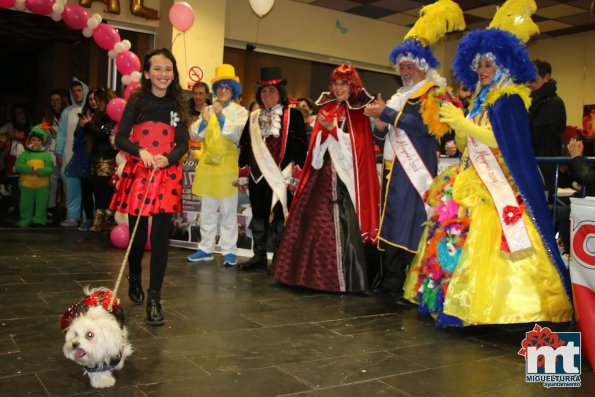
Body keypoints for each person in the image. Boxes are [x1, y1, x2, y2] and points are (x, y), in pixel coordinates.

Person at [414, 0, 572, 326]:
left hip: (498, 186)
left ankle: (506, 307)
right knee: (456, 240)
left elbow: (501, 141)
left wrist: (463, 123)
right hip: (469, 178)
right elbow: (467, 143)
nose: (483, 70)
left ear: (504, 63)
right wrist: (457, 127)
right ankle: (452, 301)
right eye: (479, 65)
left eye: (489, 64)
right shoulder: (480, 101)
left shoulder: (511, 99)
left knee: (492, 246)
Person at [364, 0, 464, 302]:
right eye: (402, 65)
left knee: (406, 224)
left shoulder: (432, 93)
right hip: (393, 169)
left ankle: (400, 282)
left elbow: (425, 127)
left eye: (410, 65)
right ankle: (388, 281)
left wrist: (389, 115)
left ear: (422, 66)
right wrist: (379, 123)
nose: (405, 69)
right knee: (390, 222)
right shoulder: (399, 95)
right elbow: (392, 130)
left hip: (413, 171)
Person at [272, 64, 379, 293]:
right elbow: (315, 150)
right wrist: (324, 132)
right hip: (321, 175)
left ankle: (341, 280)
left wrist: (334, 131)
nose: (339, 88)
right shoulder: (326, 107)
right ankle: (304, 276)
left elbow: (358, 149)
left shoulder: (360, 112)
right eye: (336, 84)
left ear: (353, 86)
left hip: (345, 179)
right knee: (309, 220)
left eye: (344, 84)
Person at [110, 48, 189, 326]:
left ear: (174, 73)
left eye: (168, 69)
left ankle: (155, 297)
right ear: (146, 73)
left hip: (166, 175)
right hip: (141, 173)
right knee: (138, 234)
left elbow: (183, 144)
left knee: (159, 240)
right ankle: (134, 274)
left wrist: (168, 158)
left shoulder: (179, 104)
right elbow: (120, 138)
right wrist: (140, 151)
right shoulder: (137, 100)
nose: (163, 74)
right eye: (158, 69)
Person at [236, 66, 308, 271]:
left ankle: (279, 260)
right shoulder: (253, 116)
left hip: (281, 175)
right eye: (264, 91)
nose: (267, 95)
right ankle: (258, 257)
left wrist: (297, 175)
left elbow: (301, 147)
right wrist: (242, 172)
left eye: (272, 91)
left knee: (279, 217)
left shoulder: (293, 116)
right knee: (258, 215)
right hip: (256, 175)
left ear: (280, 94)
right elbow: (245, 145)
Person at [186, 64, 248, 266]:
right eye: (219, 87)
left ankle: (229, 251)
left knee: (229, 212)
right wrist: (204, 122)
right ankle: (206, 248)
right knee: (207, 211)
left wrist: (221, 117)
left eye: (227, 88)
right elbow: (195, 134)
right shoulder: (207, 109)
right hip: (208, 169)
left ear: (233, 91)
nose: (222, 91)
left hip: (228, 168)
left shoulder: (240, 112)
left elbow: (238, 135)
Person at [527, 59, 567, 195]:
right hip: (532, 166)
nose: (528, 83)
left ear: (546, 78)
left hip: (543, 170)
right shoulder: (532, 101)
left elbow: (533, 134)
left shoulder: (554, 104)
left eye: (532, 79)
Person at [84, 88, 118, 233]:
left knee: (106, 191)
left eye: (98, 101)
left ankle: (107, 222)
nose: (96, 104)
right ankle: (100, 221)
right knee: (97, 190)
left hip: (106, 159)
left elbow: (104, 134)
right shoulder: (98, 115)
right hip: (96, 157)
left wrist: (88, 125)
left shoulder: (111, 117)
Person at [56, 78, 89, 227]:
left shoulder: (90, 110)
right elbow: (62, 134)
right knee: (70, 186)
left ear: (85, 91)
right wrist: (58, 152)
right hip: (69, 154)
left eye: (79, 90)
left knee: (88, 188)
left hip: (86, 155)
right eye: (74, 91)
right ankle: (72, 216)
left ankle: (88, 217)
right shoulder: (67, 112)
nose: (77, 94)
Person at [65, 88, 98, 230]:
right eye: (90, 99)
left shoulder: (104, 115)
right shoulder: (84, 115)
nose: (93, 102)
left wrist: (90, 125)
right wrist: (82, 126)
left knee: (99, 192)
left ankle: (100, 220)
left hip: (99, 158)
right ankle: (88, 218)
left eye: (95, 98)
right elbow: (77, 136)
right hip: (84, 157)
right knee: (86, 190)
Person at [15, 124, 54, 227]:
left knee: (41, 203)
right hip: (27, 184)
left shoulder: (46, 155)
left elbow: (50, 168)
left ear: (42, 142)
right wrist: (30, 170)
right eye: (34, 140)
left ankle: (39, 219)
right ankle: (25, 219)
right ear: (29, 141)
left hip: (42, 184)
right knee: (25, 203)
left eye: (38, 140)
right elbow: (18, 166)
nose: (36, 142)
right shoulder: (25, 154)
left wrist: (40, 171)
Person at [43, 89, 69, 221]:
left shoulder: (68, 114)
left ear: (62, 100)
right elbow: (45, 137)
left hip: (65, 154)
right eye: (52, 100)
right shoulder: (47, 118)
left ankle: (67, 212)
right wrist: (47, 131)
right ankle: (50, 210)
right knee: (51, 184)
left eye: (57, 100)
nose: (54, 103)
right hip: (51, 154)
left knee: (66, 184)